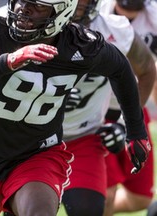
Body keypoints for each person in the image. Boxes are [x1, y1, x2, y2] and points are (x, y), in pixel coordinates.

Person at [0, 0, 151, 215]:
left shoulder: (80, 43)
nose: (24, 9)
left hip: (37, 152)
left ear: (61, 12)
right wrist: (8, 61)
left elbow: (121, 69)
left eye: (37, 5)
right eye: (21, 1)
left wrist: (135, 131)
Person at [48, 0, 156, 215]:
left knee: (139, 198)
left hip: (97, 123)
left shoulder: (112, 26)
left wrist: (127, 125)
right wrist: (49, 92)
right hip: (34, 131)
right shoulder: (32, 21)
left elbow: (147, 69)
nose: (79, 4)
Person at [99, 0, 157, 215]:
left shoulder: (153, 17)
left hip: (134, 110)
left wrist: (131, 120)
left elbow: (152, 73)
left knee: (141, 198)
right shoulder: (96, 15)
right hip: (96, 114)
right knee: (104, 195)